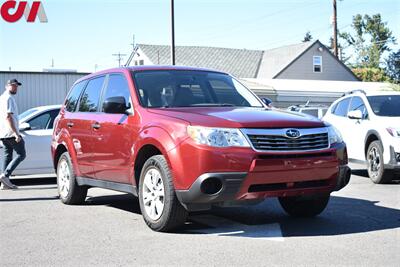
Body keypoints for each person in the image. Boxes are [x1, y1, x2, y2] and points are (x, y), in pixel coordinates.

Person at [0, 79, 26, 190]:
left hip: (3, 133)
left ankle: (4, 183)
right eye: (13, 86)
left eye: (16, 86)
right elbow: (8, 117)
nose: (15, 88)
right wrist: (16, 134)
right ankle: (5, 175)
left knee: (7, 156)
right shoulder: (9, 98)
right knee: (21, 154)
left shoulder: (1, 98)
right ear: (7, 86)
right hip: (10, 133)